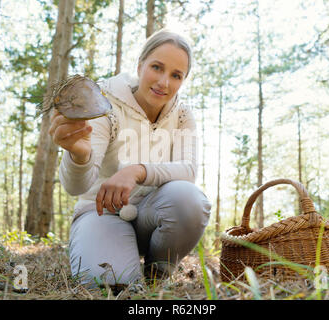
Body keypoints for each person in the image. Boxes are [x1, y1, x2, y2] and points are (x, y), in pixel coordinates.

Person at [49, 29, 211, 287]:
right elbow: (75, 186)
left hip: (154, 214)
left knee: (189, 200)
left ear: (183, 80)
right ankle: (117, 260)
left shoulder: (182, 114)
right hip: (102, 213)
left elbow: (188, 170)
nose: (163, 82)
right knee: (111, 285)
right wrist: (79, 156)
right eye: (157, 67)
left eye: (176, 75)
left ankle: (157, 275)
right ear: (140, 65)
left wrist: (137, 170)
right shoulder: (105, 103)